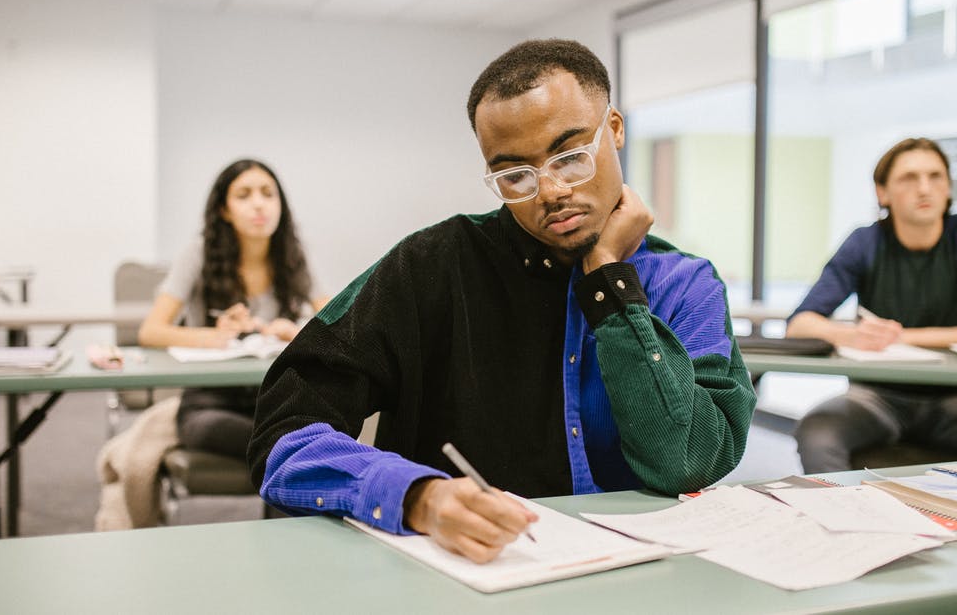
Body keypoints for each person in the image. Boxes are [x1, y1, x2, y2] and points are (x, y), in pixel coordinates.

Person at [247, 39, 756, 563]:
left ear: (615, 129)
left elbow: (690, 462)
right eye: (515, 176)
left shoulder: (686, 284)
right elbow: (284, 434)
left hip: (639, 574)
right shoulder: (429, 267)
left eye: (570, 158)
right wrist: (417, 497)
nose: (550, 192)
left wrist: (609, 282)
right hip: (467, 575)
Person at [785, 137, 957, 473]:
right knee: (817, 434)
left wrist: (904, 337)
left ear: (948, 188)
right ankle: (843, 507)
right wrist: (852, 335)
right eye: (909, 178)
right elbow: (799, 324)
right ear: (882, 193)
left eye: (935, 176)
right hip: (875, 398)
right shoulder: (865, 242)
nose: (924, 188)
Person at [139, 158, 320, 459]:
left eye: (268, 193)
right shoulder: (199, 253)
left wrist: (297, 332)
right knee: (284, 446)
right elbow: (150, 331)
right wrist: (210, 336)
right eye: (244, 195)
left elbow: (335, 324)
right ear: (224, 210)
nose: (259, 204)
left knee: (300, 437)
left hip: (276, 399)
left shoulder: (292, 255)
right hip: (209, 403)